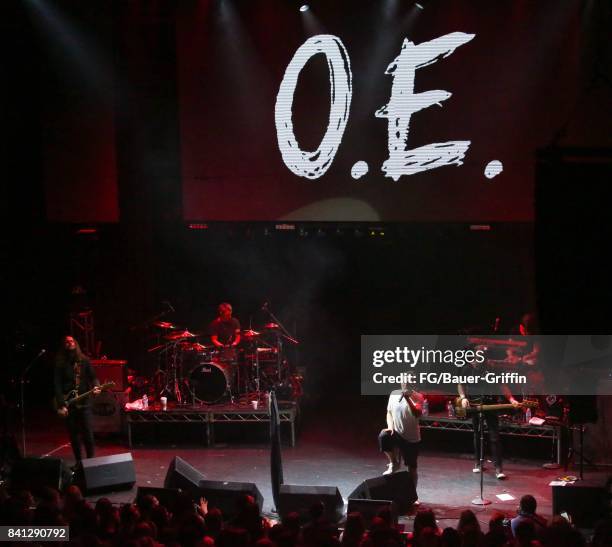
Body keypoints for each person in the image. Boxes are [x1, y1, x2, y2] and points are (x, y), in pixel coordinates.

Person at [54, 335, 100, 467]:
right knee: (74, 437)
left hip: (84, 403)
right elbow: (57, 384)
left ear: (76, 343)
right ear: (64, 346)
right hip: (69, 405)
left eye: (72, 340)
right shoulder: (60, 363)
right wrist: (61, 405)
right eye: (66, 342)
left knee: (88, 434)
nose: (69, 343)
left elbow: (93, 377)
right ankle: (79, 462)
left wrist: (96, 386)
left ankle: (91, 462)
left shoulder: (84, 360)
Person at [457, 382, 519, 480]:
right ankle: (478, 463)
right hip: (475, 404)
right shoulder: (468, 368)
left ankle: (498, 468)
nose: (476, 364)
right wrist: (463, 397)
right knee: (477, 435)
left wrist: (511, 399)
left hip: (491, 405)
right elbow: (460, 384)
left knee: (494, 437)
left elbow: (502, 385)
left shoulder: (491, 367)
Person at [378, 381, 424, 497]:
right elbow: (389, 413)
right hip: (396, 433)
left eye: (408, 382)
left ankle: (413, 496)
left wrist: (407, 398)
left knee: (411, 468)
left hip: (411, 438)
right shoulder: (394, 394)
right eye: (404, 382)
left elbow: (417, 413)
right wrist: (390, 426)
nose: (405, 385)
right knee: (383, 436)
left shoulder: (418, 396)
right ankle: (394, 463)